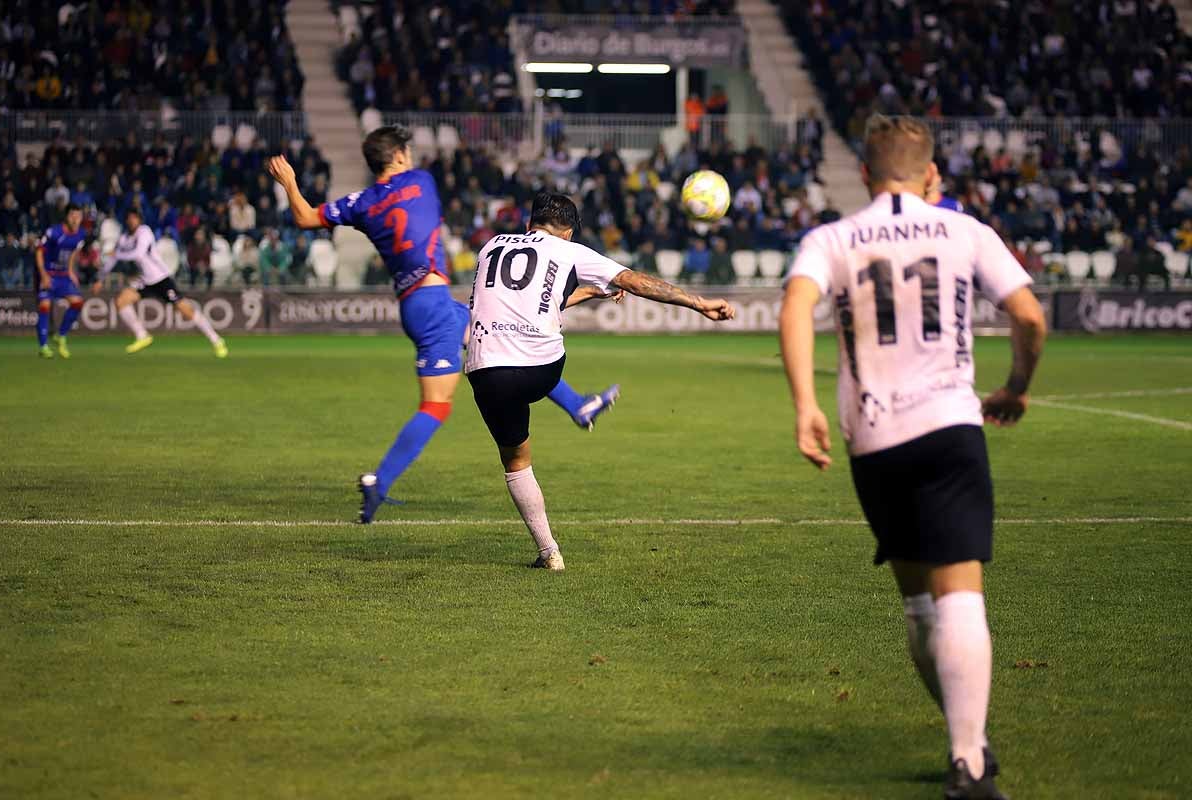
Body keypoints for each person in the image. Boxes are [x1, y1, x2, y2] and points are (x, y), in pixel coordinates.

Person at [779, 115, 1047, 800]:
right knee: (960, 595)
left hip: (873, 440)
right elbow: (1029, 315)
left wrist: (806, 403)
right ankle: (970, 762)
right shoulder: (966, 230)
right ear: (932, 175)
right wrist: (1015, 386)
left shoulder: (832, 237)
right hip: (950, 428)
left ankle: (969, 740)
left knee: (920, 607)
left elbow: (796, 304)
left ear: (865, 174)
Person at [266, 125, 622, 524]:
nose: (413, 158)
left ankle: (579, 405)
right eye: (408, 152)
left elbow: (304, 217)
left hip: (423, 303)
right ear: (399, 156)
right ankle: (378, 481)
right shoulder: (421, 181)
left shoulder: (360, 202)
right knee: (436, 405)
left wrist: (290, 182)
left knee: (503, 340)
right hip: (432, 305)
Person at [467, 192, 736, 570]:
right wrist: (699, 303)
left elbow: (523, 300)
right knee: (542, 346)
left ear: (529, 224)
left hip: (486, 368)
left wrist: (590, 292)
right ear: (570, 233)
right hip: (541, 367)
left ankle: (550, 553)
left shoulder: (490, 246)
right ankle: (578, 405)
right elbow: (635, 280)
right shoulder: (569, 251)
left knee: (515, 460)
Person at [93, 208, 228, 358]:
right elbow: (113, 259)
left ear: (139, 219)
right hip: (145, 280)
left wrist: (117, 253)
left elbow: (138, 253)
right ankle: (142, 335)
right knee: (121, 301)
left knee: (185, 310)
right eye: (129, 218)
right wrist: (101, 278)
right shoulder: (124, 238)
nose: (132, 221)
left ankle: (216, 340)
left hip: (161, 278)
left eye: (134, 218)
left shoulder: (144, 232)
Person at [34, 206, 88, 359]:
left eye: (79, 216)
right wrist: (43, 275)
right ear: (67, 217)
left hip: (63, 275)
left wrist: (71, 271)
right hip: (48, 273)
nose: (76, 219)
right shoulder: (54, 232)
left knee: (77, 303)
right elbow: (39, 252)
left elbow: (73, 252)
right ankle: (43, 346)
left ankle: (61, 335)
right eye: (73, 216)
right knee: (45, 306)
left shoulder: (81, 234)